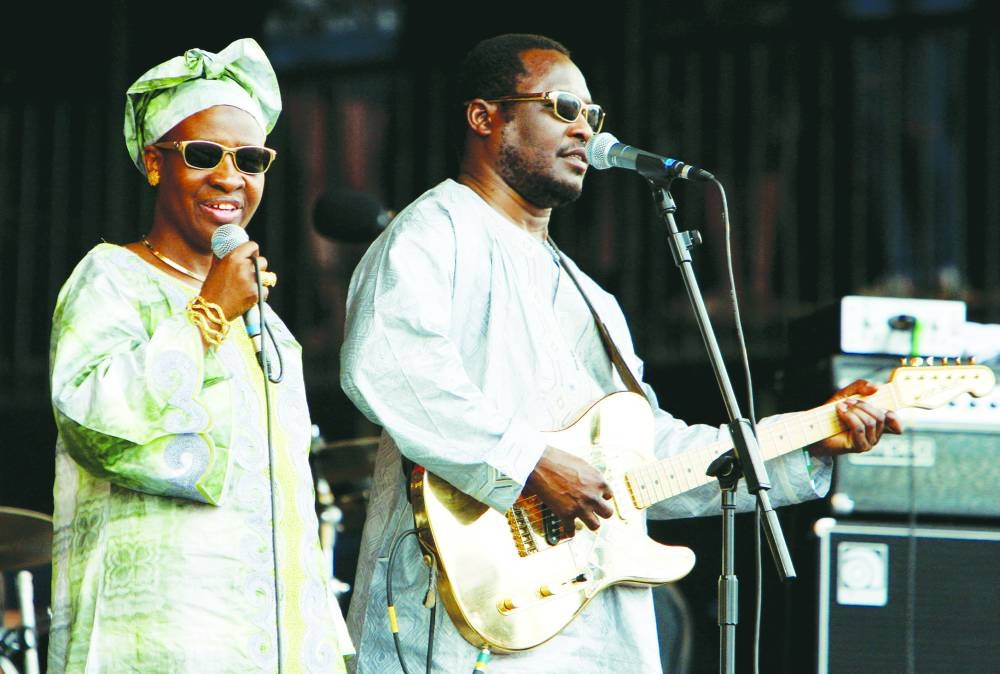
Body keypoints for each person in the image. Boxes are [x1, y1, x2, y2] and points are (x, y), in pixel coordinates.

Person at [339, 33, 902, 673]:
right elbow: (390, 368)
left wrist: (811, 437)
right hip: (467, 610)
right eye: (562, 107)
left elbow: (648, 460)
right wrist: (529, 462)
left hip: (587, 625)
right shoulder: (432, 232)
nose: (584, 130)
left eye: (592, 116)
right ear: (485, 116)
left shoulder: (594, 298)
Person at [48, 37, 351, 673]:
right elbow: (92, 419)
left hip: (271, 638)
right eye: (204, 154)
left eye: (250, 159)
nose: (229, 176)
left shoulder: (266, 320)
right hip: (162, 633)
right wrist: (208, 315)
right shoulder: (111, 277)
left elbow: (288, 503)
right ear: (156, 165)